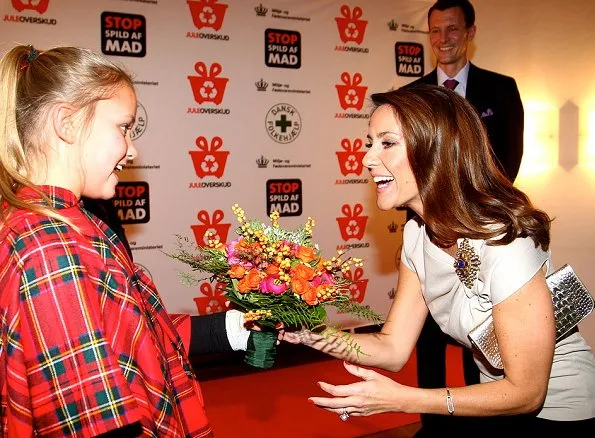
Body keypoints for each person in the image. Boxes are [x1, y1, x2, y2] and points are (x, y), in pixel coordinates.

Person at [283, 85, 595, 435]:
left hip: (559, 411)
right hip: (491, 403)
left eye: (386, 143)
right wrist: (309, 333)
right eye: (369, 143)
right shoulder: (417, 235)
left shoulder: (505, 240)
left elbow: (527, 392)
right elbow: (392, 347)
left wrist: (403, 400)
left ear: (434, 150)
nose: (368, 159)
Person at [0, 44, 252, 437]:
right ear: (67, 123)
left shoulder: (71, 223)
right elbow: (89, 420)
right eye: (123, 127)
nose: (132, 150)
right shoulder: (50, 246)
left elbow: (131, 335)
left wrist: (236, 327)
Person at [404, 1, 525, 432]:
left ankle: (484, 417)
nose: (443, 39)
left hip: (481, 234)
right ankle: (431, 425)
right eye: (435, 31)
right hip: (428, 231)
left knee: (482, 334)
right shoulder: (412, 96)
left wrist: (467, 209)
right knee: (429, 337)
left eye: (452, 29)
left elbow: (509, 163)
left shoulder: (501, 89)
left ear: (470, 31)